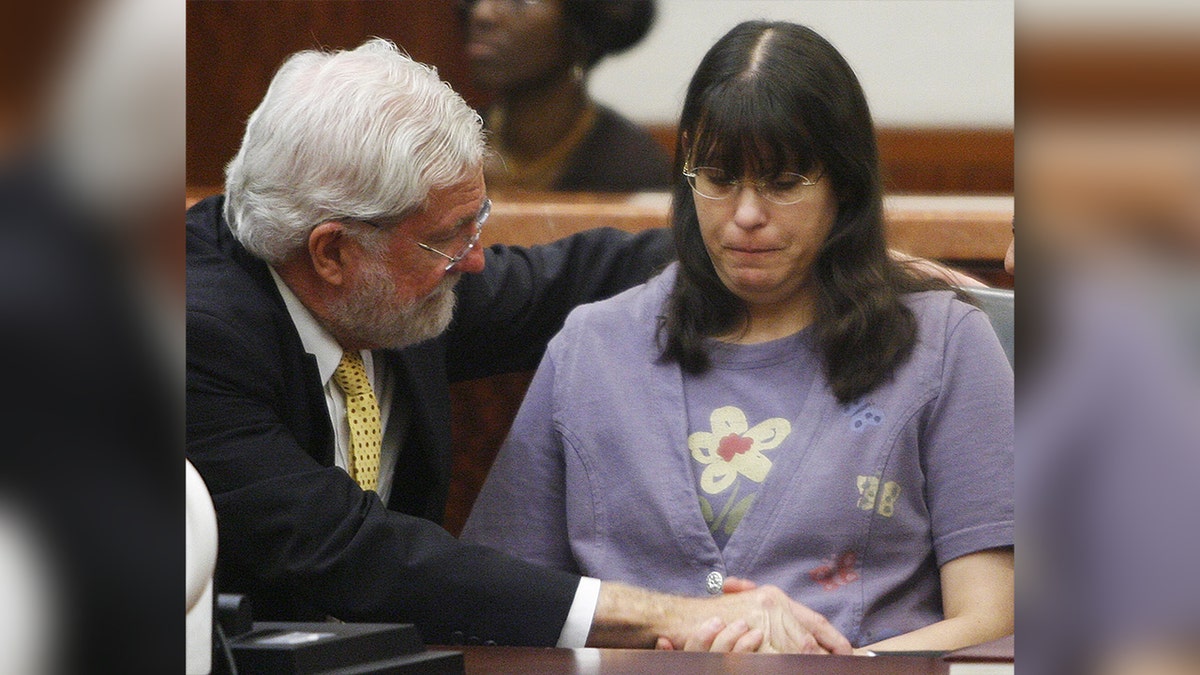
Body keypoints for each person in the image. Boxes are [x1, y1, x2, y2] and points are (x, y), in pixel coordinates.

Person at [186, 37, 853, 653]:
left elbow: (570, 278)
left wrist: (836, 257)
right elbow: (352, 551)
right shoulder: (191, 338)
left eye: (477, 220)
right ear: (333, 251)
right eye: (451, 234)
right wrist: (662, 613)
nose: (474, 260)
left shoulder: (397, 281)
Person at [461, 21, 1014, 653]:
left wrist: (835, 666)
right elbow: (497, 608)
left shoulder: (943, 346)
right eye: (720, 179)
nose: (747, 215)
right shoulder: (592, 349)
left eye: (783, 184)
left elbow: (993, 623)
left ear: (844, 184)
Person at [461, 0, 671, 191]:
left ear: (583, 25)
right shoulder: (449, 143)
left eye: (520, 2)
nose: (482, 13)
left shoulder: (634, 169)